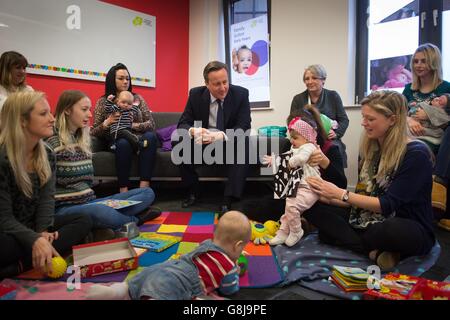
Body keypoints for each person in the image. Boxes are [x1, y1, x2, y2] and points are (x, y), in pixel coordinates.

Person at [305, 90, 435, 271]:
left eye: (370, 119)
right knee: (312, 207)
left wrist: (340, 194)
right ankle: (375, 251)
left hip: (405, 224)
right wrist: (325, 197)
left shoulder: (416, 154)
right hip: (368, 217)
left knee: (388, 229)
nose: (363, 123)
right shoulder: (371, 148)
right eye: (364, 117)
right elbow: (361, 198)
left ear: (393, 119)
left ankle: (360, 244)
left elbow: (387, 205)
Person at [0, 91, 92, 279]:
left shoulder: (47, 154)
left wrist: (43, 231)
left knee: (83, 219)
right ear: (22, 121)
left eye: (50, 113)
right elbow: (4, 218)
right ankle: (32, 257)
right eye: (43, 114)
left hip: (33, 227)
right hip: (7, 232)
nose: (52, 119)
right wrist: (34, 239)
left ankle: (19, 265)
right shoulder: (3, 158)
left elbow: (46, 201)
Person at [46, 90, 159, 232]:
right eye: (84, 109)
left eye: (90, 109)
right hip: (65, 208)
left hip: (91, 201)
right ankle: (135, 220)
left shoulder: (82, 140)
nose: (90, 114)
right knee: (100, 211)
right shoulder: (52, 142)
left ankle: (111, 220)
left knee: (147, 193)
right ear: (68, 110)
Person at [86, 210, 252, 300]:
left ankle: (116, 291)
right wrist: (234, 271)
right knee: (163, 292)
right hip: (179, 280)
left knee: (135, 284)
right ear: (238, 246)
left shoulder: (206, 244)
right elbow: (229, 290)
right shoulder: (227, 265)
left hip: (167, 266)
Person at [175, 61, 251, 213]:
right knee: (179, 142)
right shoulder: (195, 94)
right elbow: (183, 123)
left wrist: (221, 135)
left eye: (225, 82)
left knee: (244, 142)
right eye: (217, 84)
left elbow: (244, 125)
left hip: (228, 142)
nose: (223, 88)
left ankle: (229, 198)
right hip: (203, 142)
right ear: (207, 84)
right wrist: (194, 131)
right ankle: (193, 191)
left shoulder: (241, 94)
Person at [402, 43, 450, 226]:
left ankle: (436, 190)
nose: (419, 65)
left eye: (424, 61)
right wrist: (409, 120)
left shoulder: (446, 88)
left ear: (434, 62)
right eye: (415, 61)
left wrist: (427, 114)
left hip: (435, 137)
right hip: (410, 132)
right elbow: (399, 112)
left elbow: (447, 119)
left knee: (416, 151)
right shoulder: (408, 89)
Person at [91, 63, 157, 193]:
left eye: (127, 78)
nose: (125, 81)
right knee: (123, 143)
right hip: (117, 139)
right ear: (112, 80)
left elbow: (152, 124)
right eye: (121, 78)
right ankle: (123, 190)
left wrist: (133, 125)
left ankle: (144, 187)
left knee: (150, 137)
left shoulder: (137, 98)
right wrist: (107, 122)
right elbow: (94, 131)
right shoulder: (104, 101)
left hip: (139, 138)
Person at [263, 116, 321, 247]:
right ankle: (283, 232)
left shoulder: (309, 146)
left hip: (310, 186)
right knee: (288, 208)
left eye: (295, 138)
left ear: (306, 138)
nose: (291, 140)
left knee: (291, 206)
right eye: (291, 137)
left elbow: (301, 158)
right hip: (297, 185)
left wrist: (291, 161)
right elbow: (285, 157)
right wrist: (275, 160)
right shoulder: (294, 149)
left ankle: (296, 231)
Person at [290, 64, 349, 167]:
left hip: (328, 140)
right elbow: (292, 122)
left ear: (323, 80)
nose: (310, 81)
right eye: (306, 79)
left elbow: (344, 120)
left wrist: (337, 133)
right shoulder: (298, 99)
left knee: (335, 149)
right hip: (305, 141)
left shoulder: (333, 96)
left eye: (314, 78)